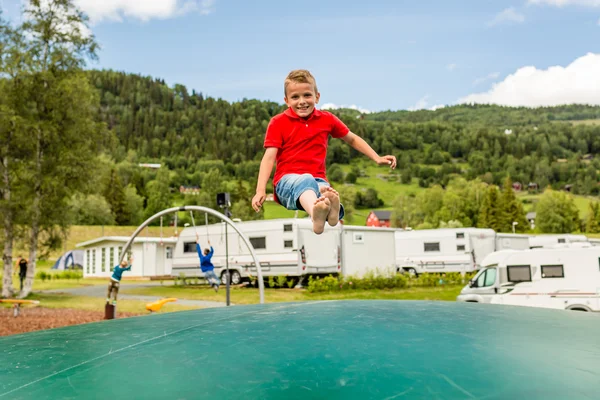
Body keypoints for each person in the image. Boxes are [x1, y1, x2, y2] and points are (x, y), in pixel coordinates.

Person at [251, 69, 396, 235]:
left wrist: (376, 158)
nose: (302, 101)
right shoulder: (278, 123)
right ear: (286, 100)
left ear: (317, 97)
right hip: (286, 184)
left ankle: (331, 214)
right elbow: (269, 158)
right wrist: (260, 190)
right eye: (295, 97)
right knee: (307, 181)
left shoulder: (327, 119)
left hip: (317, 180)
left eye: (307, 95)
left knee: (325, 191)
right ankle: (316, 214)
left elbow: (352, 139)